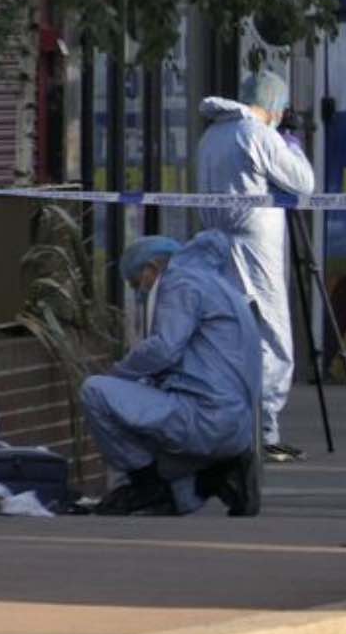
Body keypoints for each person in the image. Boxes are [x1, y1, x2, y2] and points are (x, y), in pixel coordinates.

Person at [81, 232, 261, 516]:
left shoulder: (180, 282)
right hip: (236, 425)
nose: (139, 293)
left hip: (205, 417)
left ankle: (146, 487)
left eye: (136, 283)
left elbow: (165, 348)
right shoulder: (219, 283)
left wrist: (119, 372)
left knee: (95, 392)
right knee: (180, 500)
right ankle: (218, 475)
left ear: (152, 269)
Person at [198, 69, 315, 463]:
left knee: (229, 338)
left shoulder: (213, 134)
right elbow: (302, 183)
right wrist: (292, 144)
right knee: (272, 338)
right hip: (255, 248)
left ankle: (235, 428)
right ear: (274, 105)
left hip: (219, 244)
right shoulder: (257, 134)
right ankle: (264, 431)